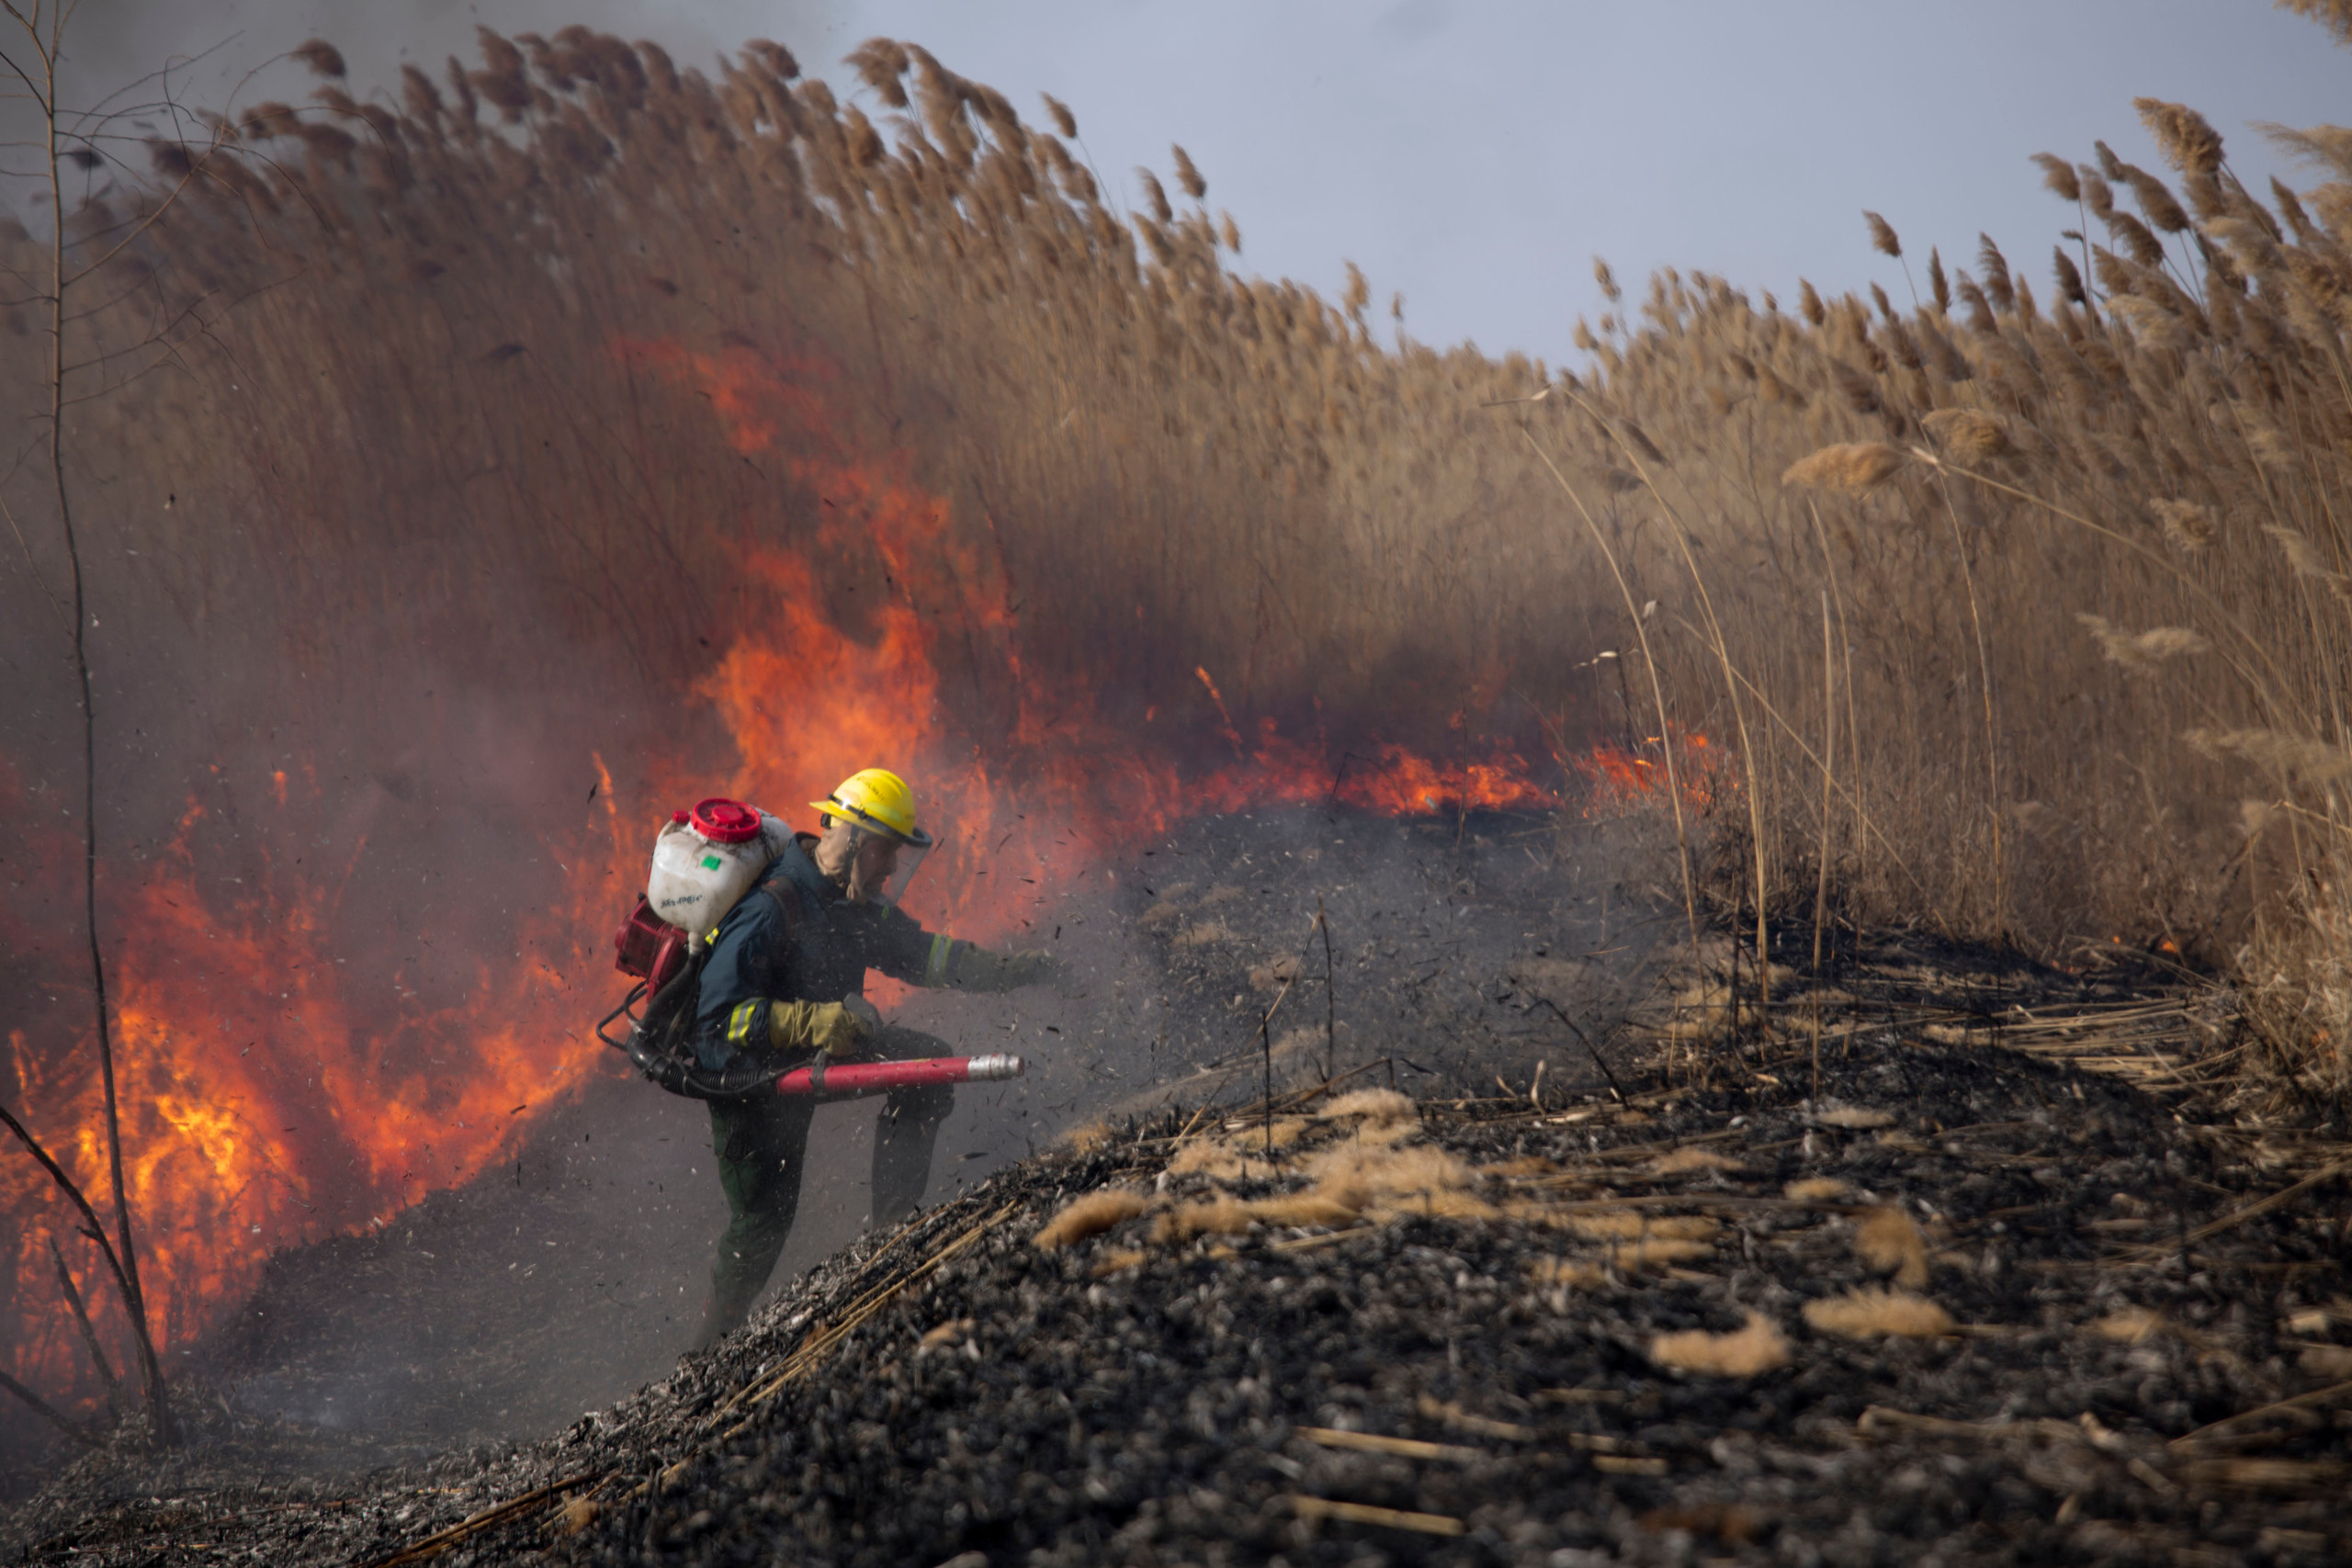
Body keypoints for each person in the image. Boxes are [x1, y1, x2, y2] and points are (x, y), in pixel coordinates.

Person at [688, 767, 1061, 1348]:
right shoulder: (772, 908)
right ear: (856, 841)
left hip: (815, 1061)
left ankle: (888, 1245)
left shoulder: (853, 906)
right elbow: (711, 1028)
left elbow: (924, 954)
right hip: (752, 1086)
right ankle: (706, 1349)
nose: (892, 871)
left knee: (927, 1071)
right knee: (762, 1225)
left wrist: (1015, 973)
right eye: (887, 855)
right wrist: (809, 1021)